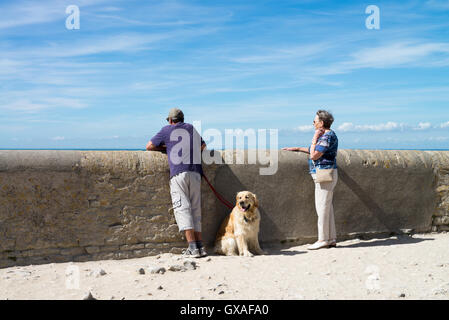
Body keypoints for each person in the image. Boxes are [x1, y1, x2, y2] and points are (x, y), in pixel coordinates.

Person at [146, 108, 207, 258]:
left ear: (171, 120)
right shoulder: (191, 128)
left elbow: (149, 146)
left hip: (179, 173)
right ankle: (201, 247)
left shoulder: (166, 130)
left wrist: (167, 148)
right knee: (195, 208)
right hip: (195, 171)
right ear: (182, 119)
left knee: (182, 208)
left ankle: (192, 248)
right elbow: (202, 146)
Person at [282, 110, 338, 250]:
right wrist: (296, 148)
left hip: (324, 174)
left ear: (321, 123)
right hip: (325, 174)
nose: (313, 123)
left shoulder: (327, 135)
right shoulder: (326, 135)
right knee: (327, 207)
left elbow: (314, 155)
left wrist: (314, 138)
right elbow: (313, 150)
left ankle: (322, 239)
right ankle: (331, 239)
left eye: (314, 121)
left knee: (322, 207)